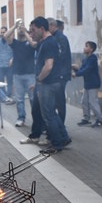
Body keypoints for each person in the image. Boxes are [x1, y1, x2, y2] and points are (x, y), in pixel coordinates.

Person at [29, 16, 71, 152]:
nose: (32, 34)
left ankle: (56, 143)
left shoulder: (48, 43)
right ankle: (64, 137)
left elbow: (48, 66)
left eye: (33, 30)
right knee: (52, 113)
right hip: (52, 82)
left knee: (48, 115)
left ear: (42, 28)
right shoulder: (47, 41)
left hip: (48, 83)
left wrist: (39, 79)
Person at [4, 20, 36, 127]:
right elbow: (6, 36)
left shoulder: (30, 42)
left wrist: (25, 31)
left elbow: (34, 44)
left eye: (22, 29)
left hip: (30, 74)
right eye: (19, 30)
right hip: (17, 75)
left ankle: (36, 119)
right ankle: (21, 118)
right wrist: (14, 26)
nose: (20, 31)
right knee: (19, 99)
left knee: (33, 99)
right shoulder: (15, 43)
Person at [72, 41, 102, 127]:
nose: (84, 48)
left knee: (92, 102)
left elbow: (87, 70)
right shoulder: (85, 59)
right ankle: (86, 118)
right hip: (87, 84)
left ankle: (100, 120)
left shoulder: (93, 58)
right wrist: (75, 69)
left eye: (86, 46)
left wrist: (76, 74)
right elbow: (81, 70)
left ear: (91, 49)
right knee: (84, 101)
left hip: (93, 84)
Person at [47, 17, 72, 123]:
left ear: (53, 26)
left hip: (61, 74)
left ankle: (60, 124)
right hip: (56, 74)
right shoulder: (53, 37)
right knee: (54, 101)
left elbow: (61, 55)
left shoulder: (60, 37)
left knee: (59, 101)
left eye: (47, 27)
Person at [0, 26, 14, 104]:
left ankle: (9, 95)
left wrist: (13, 59)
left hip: (9, 65)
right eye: (1, 32)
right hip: (0, 65)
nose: (2, 34)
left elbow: (15, 51)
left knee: (10, 81)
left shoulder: (11, 41)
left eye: (4, 32)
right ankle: (3, 96)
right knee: (0, 81)